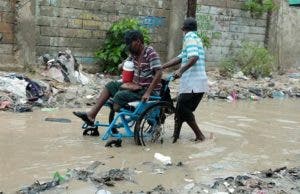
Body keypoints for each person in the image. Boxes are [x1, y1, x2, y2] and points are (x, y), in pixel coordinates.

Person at [73, 30, 162, 125]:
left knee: (119, 97)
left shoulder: (150, 53)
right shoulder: (134, 54)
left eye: (129, 44)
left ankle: (120, 105)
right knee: (110, 86)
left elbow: (159, 73)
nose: (128, 47)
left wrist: (148, 93)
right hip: (136, 87)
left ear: (138, 42)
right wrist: (123, 65)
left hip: (148, 90)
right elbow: (121, 67)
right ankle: (91, 115)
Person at [162, 17, 208, 143]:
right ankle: (175, 137)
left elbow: (194, 57)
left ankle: (200, 136)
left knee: (182, 109)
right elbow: (180, 57)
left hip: (194, 83)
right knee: (180, 112)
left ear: (184, 29)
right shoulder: (196, 38)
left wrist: (180, 71)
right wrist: (162, 67)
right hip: (196, 83)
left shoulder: (189, 37)